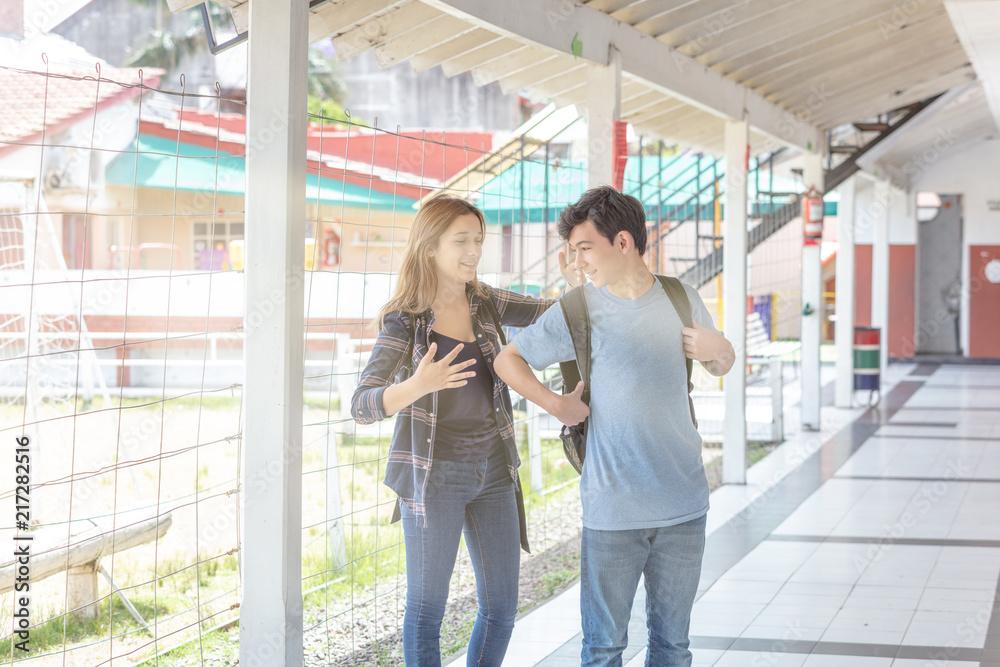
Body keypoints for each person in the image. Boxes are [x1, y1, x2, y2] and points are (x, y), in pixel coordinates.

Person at [494, 186, 735, 667]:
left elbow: (719, 364)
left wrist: (722, 348)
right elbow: (509, 359)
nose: (577, 261)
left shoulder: (680, 297)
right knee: (603, 649)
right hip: (612, 510)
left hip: (684, 505)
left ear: (622, 243)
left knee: (673, 647)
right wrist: (554, 404)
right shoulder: (578, 309)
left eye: (585, 248)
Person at [351, 195, 581, 666]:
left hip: (495, 472)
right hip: (433, 477)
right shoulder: (405, 319)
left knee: (501, 609)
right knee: (426, 611)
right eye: (462, 241)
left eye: (478, 239)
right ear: (430, 247)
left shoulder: (486, 301)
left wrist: (576, 282)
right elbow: (362, 404)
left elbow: (552, 315)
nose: (475, 250)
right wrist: (417, 385)